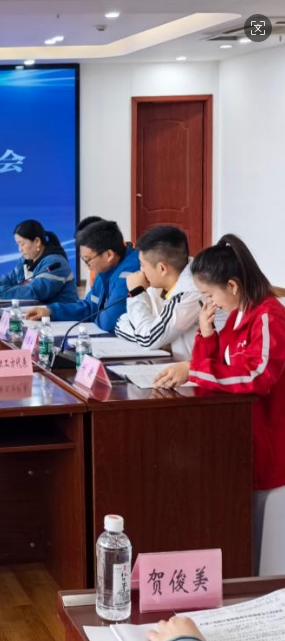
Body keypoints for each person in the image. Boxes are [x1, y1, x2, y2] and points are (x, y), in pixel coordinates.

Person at [154, 234, 285, 572]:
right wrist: (206, 332)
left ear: (233, 285)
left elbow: (257, 376)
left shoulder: (268, 316)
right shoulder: (240, 313)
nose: (209, 302)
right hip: (241, 438)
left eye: (210, 295)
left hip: (269, 443)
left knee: (265, 551)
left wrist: (192, 369)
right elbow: (214, 369)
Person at [26, 220, 140, 332]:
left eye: (87, 260)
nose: (86, 265)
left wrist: (94, 316)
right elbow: (89, 307)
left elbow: (109, 322)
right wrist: (51, 312)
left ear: (109, 255)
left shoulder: (130, 272)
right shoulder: (106, 268)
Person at [114, 225, 204, 360]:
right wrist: (158, 341)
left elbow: (148, 338)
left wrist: (136, 293)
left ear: (162, 268)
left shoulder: (191, 292)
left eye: (142, 265)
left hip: (195, 370)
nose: (140, 271)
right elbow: (121, 323)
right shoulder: (160, 284)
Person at [0, 219, 78, 305]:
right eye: (18, 244)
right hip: (39, 313)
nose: (19, 249)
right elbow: (10, 279)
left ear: (37, 241)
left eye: (22, 244)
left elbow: (35, 292)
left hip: (63, 316)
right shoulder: (26, 260)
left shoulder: (55, 263)